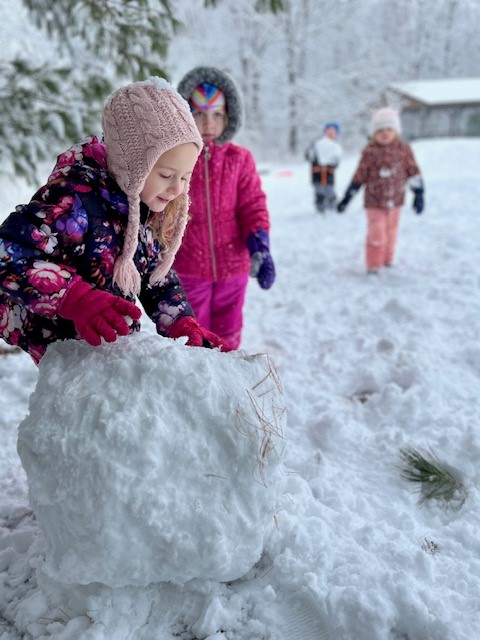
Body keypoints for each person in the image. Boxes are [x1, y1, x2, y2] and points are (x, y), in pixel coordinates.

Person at [0, 77, 233, 364]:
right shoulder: (74, 199)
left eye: (185, 177)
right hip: (57, 340)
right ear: (132, 165)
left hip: (103, 340)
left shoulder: (146, 206)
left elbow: (155, 274)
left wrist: (180, 322)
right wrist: (77, 299)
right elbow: (8, 255)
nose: (176, 190)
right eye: (166, 175)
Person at [174, 66, 275, 350]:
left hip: (234, 266)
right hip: (188, 267)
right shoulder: (176, 159)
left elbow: (252, 205)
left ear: (229, 117)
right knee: (193, 336)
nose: (209, 123)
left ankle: (227, 382)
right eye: (199, 114)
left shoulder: (240, 159)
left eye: (217, 114)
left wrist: (260, 245)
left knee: (228, 335)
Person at [337, 107, 424, 274]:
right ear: (374, 133)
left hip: (396, 200)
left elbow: (413, 172)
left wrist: (419, 194)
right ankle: (374, 264)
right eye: (380, 130)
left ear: (396, 131)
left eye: (389, 129)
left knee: (392, 231)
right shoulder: (370, 152)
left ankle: (388, 259)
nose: (385, 133)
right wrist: (347, 198)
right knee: (377, 233)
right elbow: (359, 176)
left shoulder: (403, 150)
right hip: (374, 202)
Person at [305, 122, 342, 213]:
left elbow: (336, 162)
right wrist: (314, 158)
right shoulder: (317, 144)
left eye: (333, 132)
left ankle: (332, 207)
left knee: (329, 190)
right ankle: (320, 208)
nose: (331, 133)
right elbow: (308, 156)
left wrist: (331, 163)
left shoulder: (335, 147)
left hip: (329, 173)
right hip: (317, 173)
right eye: (329, 131)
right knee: (319, 191)